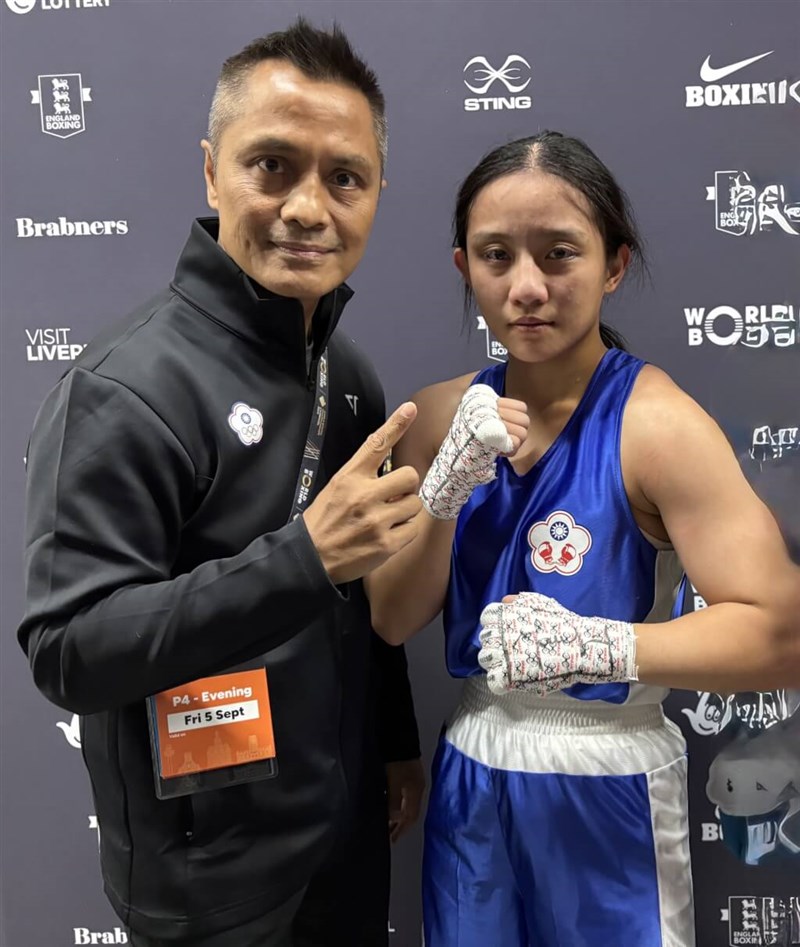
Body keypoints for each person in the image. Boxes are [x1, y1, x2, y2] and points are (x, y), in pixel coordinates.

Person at [18, 18, 426, 947]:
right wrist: (303, 557)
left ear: (375, 197)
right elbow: (69, 647)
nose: (309, 207)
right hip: (210, 878)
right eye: (272, 166)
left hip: (346, 838)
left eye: (344, 178)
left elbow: (365, 588)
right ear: (213, 172)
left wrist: (394, 742)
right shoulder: (124, 389)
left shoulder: (350, 374)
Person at [367, 131, 800, 946]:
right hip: (474, 763)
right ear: (465, 267)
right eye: (497, 256)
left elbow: (782, 633)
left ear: (614, 265)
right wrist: (443, 490)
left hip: (610, 775)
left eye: (559, 253)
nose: (526, 287)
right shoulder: (436, 416)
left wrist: (603, 647)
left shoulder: (657, 425)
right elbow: (389, 620)